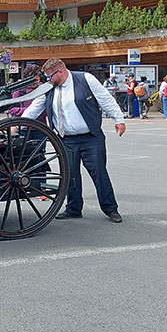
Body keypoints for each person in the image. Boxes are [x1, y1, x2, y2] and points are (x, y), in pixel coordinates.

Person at [22, 58, 126, 223]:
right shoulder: (48, 88)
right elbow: (35, 108)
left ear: (61, 71)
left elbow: (105, 99)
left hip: (90, 137)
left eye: (50, 76)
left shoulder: (85, 79)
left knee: (99, 173)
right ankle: (73, 209)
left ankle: (110, 209)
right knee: (70, 176)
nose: (47, 79)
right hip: (66, 139)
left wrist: (118, 119)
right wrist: (20, 124)